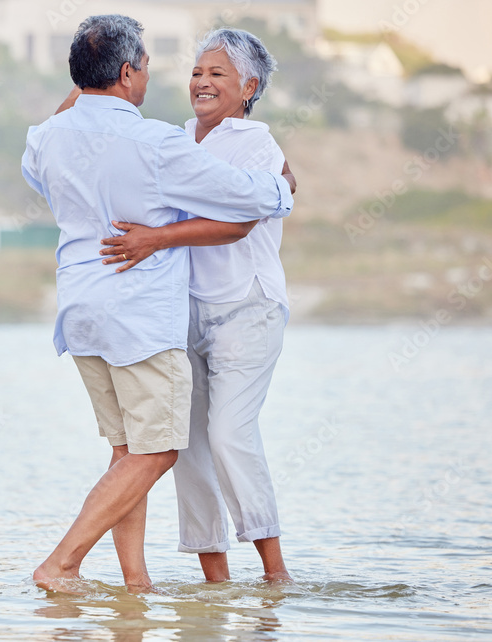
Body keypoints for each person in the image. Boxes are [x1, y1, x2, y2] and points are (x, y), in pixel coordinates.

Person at [21, 15, 293, 593]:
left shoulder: (46, 138)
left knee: (127, 452)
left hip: (82, 314)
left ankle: (136, 586)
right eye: (144, 64)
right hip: (140, 319)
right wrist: (280, 186)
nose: (156, 75)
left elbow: (42, 156)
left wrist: (88, 78)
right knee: (159, 451)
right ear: (127, 72)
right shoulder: (157, 142)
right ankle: (62, 563)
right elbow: (249, 198)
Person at [99, 28, 294, 583]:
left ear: (248, 86)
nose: (202, 83)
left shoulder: (256, 140)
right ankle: (216, 582)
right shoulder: (177, 138)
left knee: (231, 435)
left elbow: (241, 222)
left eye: (217, 74)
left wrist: (155, 239)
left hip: (247, 307)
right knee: (189, 449)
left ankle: (276, 577)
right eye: (196, 73)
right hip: (184, 312)